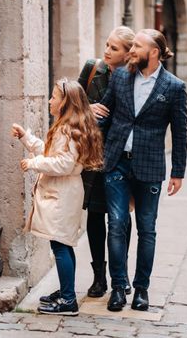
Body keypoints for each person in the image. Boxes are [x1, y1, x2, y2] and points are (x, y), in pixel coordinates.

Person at [91, 29, 187, 312]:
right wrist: (90, 110)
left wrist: (178, 172)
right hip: (117, 162)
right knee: (117, 224)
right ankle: (118, 288)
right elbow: (104, 112)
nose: (131, 50)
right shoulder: (121, 76)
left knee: (147, 230)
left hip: (150, 167)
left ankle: (141, 290)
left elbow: (180, 133)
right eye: (131, 45)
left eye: (137, 46)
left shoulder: (173, 87)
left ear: (154, 52)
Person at [11, 79, 104, 316]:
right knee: (62, 244)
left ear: (65, 103)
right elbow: (50, 152)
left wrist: (34, 163)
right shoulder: (67, 127)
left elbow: (63, 163)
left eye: (54, 97)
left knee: (61, 247)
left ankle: (68, 300)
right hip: (64, 193)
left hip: (63, 195)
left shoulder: (67, 130)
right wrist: (26, 138)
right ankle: (66, 291)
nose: (50, 100)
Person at [77, 26, 135, 298]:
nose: (107, 51)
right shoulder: (92, 70)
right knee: (95, 215)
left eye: (114, 48)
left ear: (127, 54)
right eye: (107, 44)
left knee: (121, 219)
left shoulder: (136, 79)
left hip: (123, 159)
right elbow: (68, 107)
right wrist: (87, 109)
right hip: (94, 158)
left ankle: (119, 278)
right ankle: (99, 277)